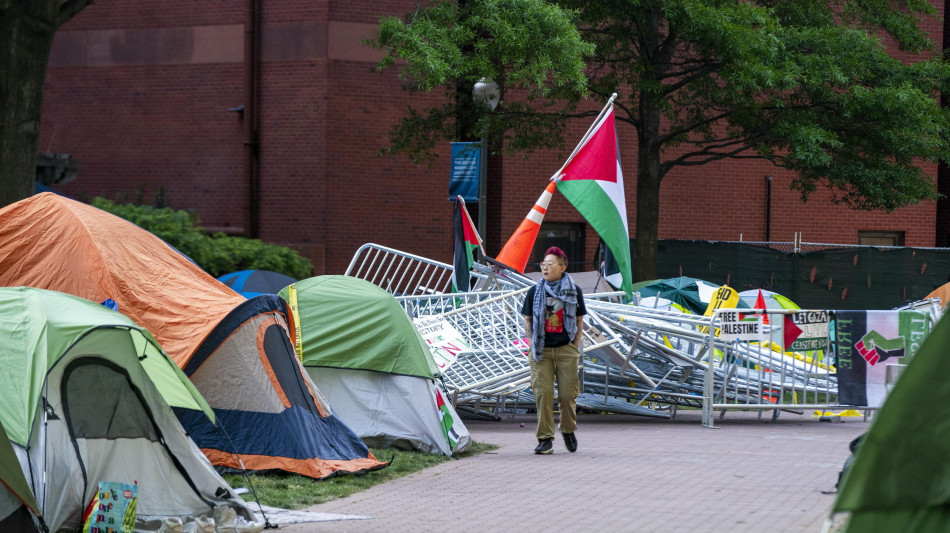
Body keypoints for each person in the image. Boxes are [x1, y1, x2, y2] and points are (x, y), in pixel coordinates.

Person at [522, 246, 586, 454]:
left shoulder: (574, 291)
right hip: (542, 352)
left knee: (568, 395)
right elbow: (528, 319)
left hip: (566, 350)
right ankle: (545, 439)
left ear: (562, 267)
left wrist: (574, 346)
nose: (546, 268)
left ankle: (568, 429)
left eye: (550, 265)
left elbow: (579, 320)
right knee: (543, 394)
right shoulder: (535, 291)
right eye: (543, 264)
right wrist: (532, 343)